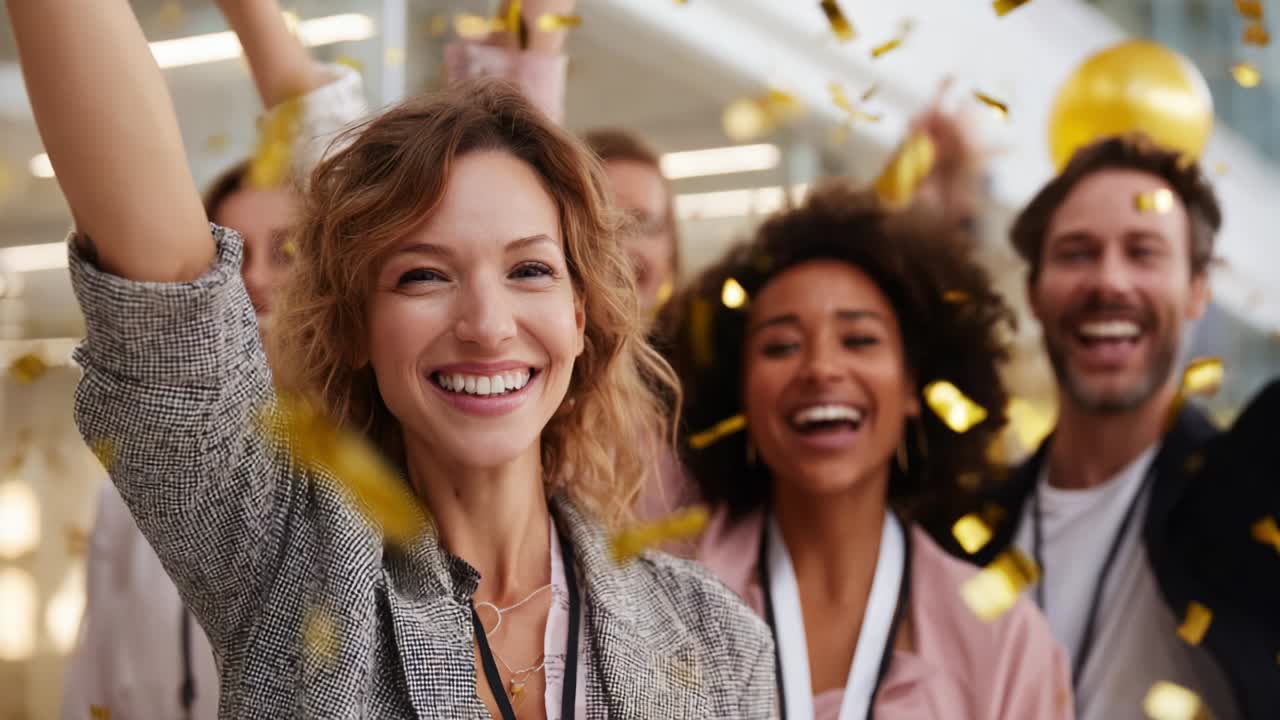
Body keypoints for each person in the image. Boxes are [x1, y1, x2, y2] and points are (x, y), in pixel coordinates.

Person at [10, 2, 775, 719]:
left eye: (530, 270)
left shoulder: (719, 642)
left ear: (580, 318)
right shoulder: (285, 557)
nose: (486, 325)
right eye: (423, 275)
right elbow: (167, 294)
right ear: (354, 329)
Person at [659, 182, 1072, 718]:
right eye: (782, 346)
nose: (821, 368)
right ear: (738, 395)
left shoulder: (1003, 640)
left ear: (912, 388)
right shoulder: (661, 603)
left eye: (859, 340)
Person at [59, 1, 360, 715]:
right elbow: (98, 661)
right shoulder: (137, 477)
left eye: (287, 252)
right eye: (231, 255)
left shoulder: (372, 458)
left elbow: (357, 180)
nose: (252, 278)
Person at [928, 134, 1280, 719]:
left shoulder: (1248, 492)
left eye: (1143, 252)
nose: (1110, 283)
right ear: (1034, 292)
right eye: (1076, 253)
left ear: (1197, 292)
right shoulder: (961, 531)